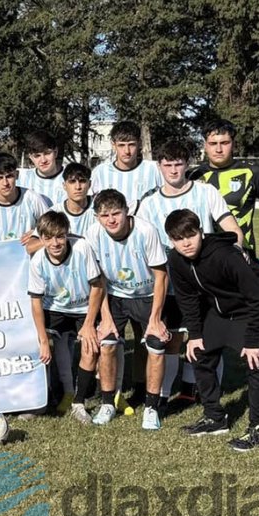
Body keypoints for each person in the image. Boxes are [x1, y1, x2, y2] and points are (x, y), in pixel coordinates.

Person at [135, 139, 243, 411]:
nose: (173, 170)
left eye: (178, 163)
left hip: (206, 285)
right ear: (158, 165)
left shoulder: (205, 192)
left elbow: (233, 231)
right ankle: (164, 395)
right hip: (170, 285)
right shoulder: (149, 203)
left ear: (187, 163)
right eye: (167, 164)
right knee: (171, 342)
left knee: (208, 342)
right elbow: (143, 248)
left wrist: (233, 256)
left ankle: (203, 394)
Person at [165, 209, 259, 451]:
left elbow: (258, 297)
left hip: (256, 308)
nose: (186, 243)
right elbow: (187, 299)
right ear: (171, 240)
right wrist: (195, 335)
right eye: (178, 238)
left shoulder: (225, 255)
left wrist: (251, 341)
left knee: (255, 361)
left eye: (191, 235)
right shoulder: (176, 260)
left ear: (201, 233)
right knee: (199, 354)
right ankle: (215, 418)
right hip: (220, 311)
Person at [84, 189, 169, 429]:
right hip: (114, 296)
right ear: (96, 217)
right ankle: (108, 402)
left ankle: (151, 408)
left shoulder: (146, 231)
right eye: (104, 215)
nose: (111, 220)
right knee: (107, 342)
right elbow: (97, 279)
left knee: (155, 343)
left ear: (126, 211)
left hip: (148, 295)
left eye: (116, 213)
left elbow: (161, 276)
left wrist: (155, 318)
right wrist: (106, 317)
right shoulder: (93, 234)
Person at [28, 211, 107, 424]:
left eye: (60, 236)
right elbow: (35, 302)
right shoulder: (37, 262)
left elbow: (97, 286)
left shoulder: (82, 248)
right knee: (38, 346)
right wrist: (44, 341)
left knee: (91, 346)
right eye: (49, 238)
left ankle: (78, 403)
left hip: (83, 307)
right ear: (42, 239)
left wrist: (90, 324)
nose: (55, 243)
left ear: (67, 234)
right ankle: (40, 401)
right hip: (54, 308)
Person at [190, 118, 259, 277]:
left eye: (225, 142)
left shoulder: (252, 174)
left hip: (242, 256)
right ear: (205, 145)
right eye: (213, 143)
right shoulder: (192, 176)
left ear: (233, 144)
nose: (219, 149)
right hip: (201, 259)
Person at [0, 152, 49, 254]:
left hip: (27, 262)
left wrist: (37, 233)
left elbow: (52, 229)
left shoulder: (33, 198)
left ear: (17, 175)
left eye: (9, 176)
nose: (5, 183)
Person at [90, 120, 162, 207]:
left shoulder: (154, 169)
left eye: (131, 145)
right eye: (121, 145)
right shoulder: (100, 172)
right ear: (113, 145)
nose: (127, 151)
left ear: (139, 144)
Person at [18, 130, 65, 205]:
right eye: (37, 156)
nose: (43, 160)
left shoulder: (71, 178)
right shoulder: (22, 179)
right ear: (31, 157)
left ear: (55, 152)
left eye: (47, 153)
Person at [49, 162, 95, 238]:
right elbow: (31, 245)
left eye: (82, 181)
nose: (78, 187)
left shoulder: (99, 208)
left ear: (89, 184)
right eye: (72, 182)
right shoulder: (54, 212)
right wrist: (67, 238)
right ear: (64, 186)